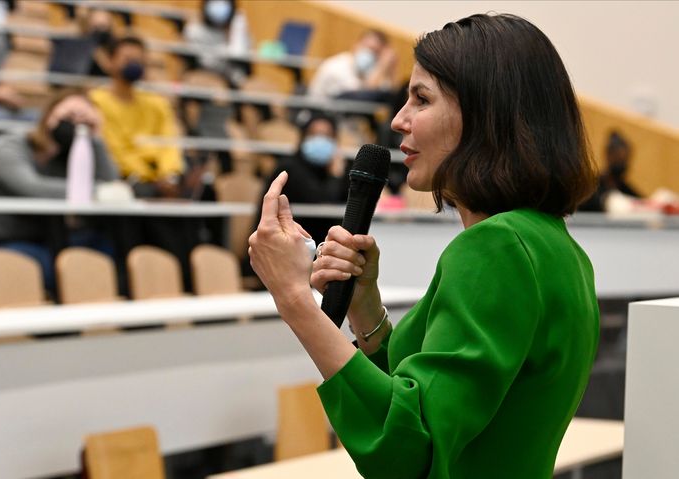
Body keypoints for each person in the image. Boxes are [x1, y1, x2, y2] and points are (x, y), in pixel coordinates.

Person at [248, 13, 599, 479]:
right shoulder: (557, 248)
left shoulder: (496, 247)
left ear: (483, 114)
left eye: (421, 99)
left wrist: (294, 299)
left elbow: (413, 448)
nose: (398, 120)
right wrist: (365, 308)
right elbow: (424, 395)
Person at [0, 89, 118, 291]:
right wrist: (98, 192)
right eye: (68, 116)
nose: (73, 124)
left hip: (62, 238)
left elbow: (112, 185)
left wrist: (95, 138)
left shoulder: (74, 153)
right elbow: (32, 187)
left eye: (82, 121)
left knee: (111, 258)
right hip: (12, 241)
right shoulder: (7, 146)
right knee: (67, 272)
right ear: (48, 115)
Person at [89, 35, 184, 199]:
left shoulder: (157, 104)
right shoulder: (96, 101)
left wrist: (169, 175)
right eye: (127, 59)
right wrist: (149, 177)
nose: (134, 64)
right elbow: (113, 150)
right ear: (110, 62)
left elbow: (168, 142)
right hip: (124, 177)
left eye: (139, 60)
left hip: (161, 178)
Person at [255, 112, 347, 246]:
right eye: (314, 134)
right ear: (303, 137)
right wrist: (335, 176)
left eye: (327, 136)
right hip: (287, 247)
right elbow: (321, 202)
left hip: (323, 247)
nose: (320, 141)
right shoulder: (289, 168)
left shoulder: (340, 168)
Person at [307, 29, 397, 101]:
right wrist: (381, 67)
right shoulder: (336, 66)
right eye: (367, 48)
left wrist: (391, 70)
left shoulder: (370, 71)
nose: (369, 54)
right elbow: (364, 96)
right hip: (319, 117)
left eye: (375, 52)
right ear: (356, 45)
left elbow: (389, 95)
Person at [183, 0, 251, 87]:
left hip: (230, 76)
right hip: (205, 72)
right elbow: (206, 61)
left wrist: (236, 31)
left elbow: (241, 53)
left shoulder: (238, 26)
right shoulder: (195, 30)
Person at [578, 131, 641, 212]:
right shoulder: (590, 187)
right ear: (608, 156)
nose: (622, 163)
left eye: (625, 159)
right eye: (618, 158)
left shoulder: (624, 188)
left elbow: (639, 202)